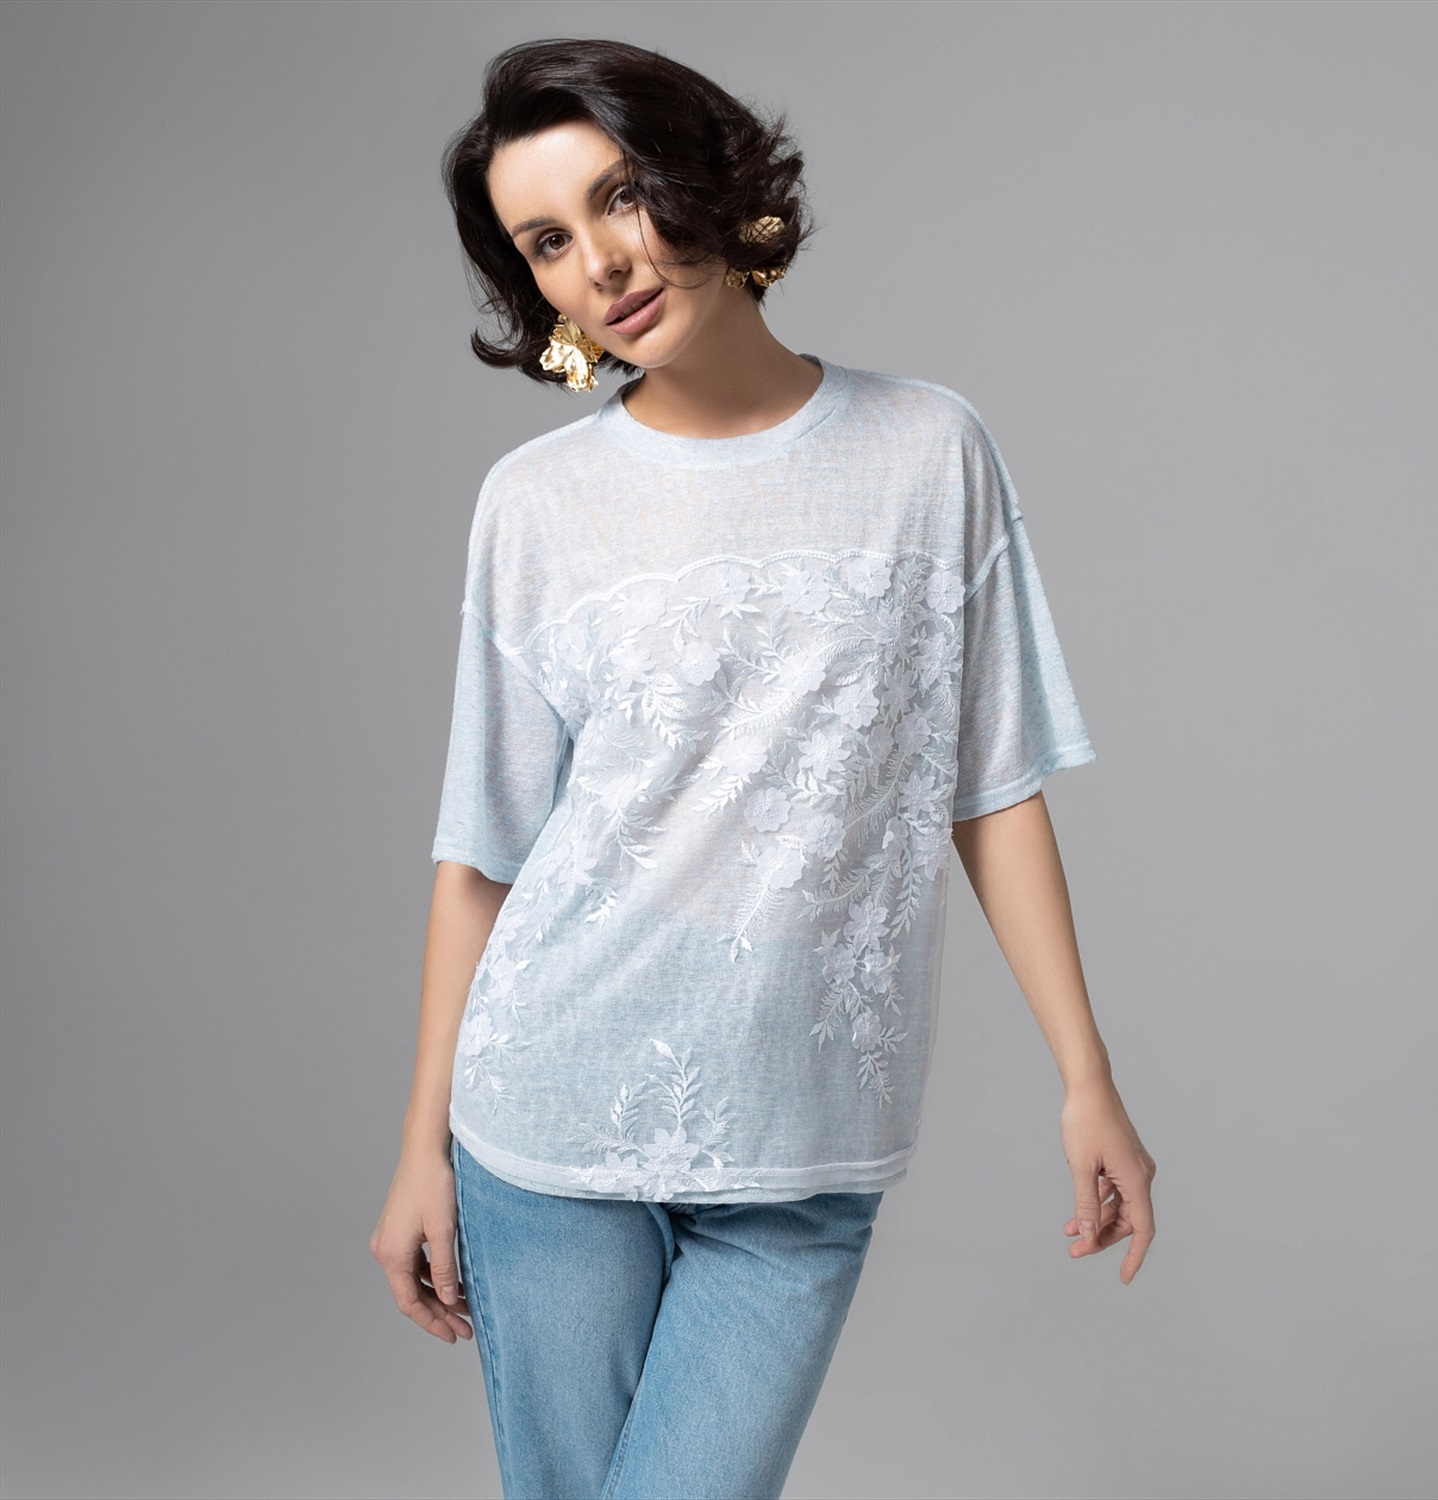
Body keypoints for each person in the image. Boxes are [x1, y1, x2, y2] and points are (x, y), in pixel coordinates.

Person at [369, 36, 1157, 1500]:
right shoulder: (534, 505)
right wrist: (422, 1146)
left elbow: (990, 786)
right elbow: (484, 850)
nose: (603, 262)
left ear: (705, 177)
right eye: (548, 242)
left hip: (807, 1139)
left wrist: (1086, 1078)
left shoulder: (929, 450)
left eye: (619, 196)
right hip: (549, 1122)